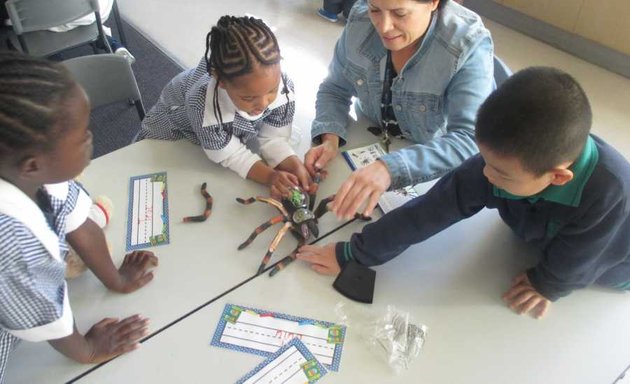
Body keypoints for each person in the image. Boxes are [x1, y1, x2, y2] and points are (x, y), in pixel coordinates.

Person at [297, 67, 630, 319]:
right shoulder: (503, 159)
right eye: (484, 160)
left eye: (499, 172)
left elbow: (582, 258)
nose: (485, 174)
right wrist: (356, 254)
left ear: (558, 177)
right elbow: (431, 209)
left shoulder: (610, 193)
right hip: (544, 222)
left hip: (613, 257)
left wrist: (548, 284)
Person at [0, 52, 158, 382]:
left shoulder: (26, 170)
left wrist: (116, 279)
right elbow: (43, 312)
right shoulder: (10, 241)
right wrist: (87, 349)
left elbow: (79, 224)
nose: (91, 138)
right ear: (32, 165)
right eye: (82, 135)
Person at [306, 0, 494, 219]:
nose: (383, 27)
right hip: (367, 135)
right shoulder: (359, 19)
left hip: (429, 160)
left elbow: (470, 139)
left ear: (433, 3)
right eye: (375, 9)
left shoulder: (467, 43)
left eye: (400, 13)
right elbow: (334, 88)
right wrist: (330, 138)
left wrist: (389, 169)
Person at [138, 16, 314, 198]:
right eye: (249, 97)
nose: (263, 104)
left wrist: (295, 165)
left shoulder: (284, 88)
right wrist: (270, 176)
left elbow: (274, 139)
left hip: (215, 136)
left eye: (272, 90)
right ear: (221, 82)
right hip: (172, 134)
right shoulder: (201, 105)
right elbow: (230, 154)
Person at [48, 0, 135, 64]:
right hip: (96, 11)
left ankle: (57, 64)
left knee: (42, 24)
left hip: (52, 19)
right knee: (80, 20)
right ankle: (109, 41)